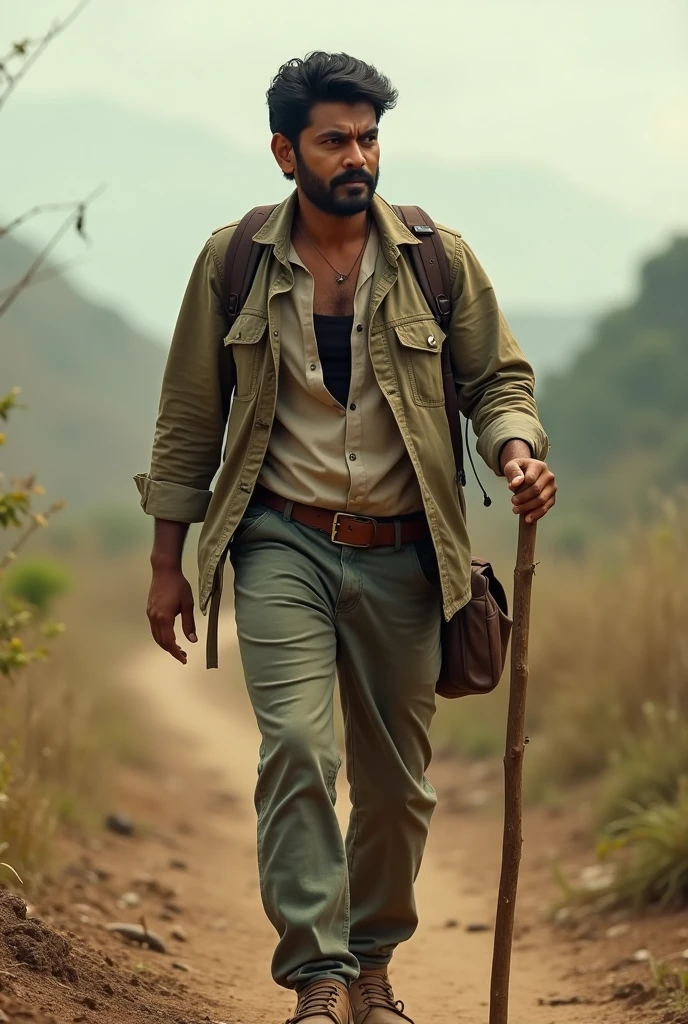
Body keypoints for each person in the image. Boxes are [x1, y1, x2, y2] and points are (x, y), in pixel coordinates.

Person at [135, 51, 556, 1024]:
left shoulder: (436, 257)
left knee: (399, 786)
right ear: (286, 151)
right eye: (334, 139)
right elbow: (189, 414)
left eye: (368, 136)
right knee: (294, 746)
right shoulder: (233, 258)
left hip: (407, 549)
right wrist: (167, 563)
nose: (356, 155)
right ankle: (317, 975)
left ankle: (374, 966)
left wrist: (516, 451)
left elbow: (500, 380)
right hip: (282, 538)